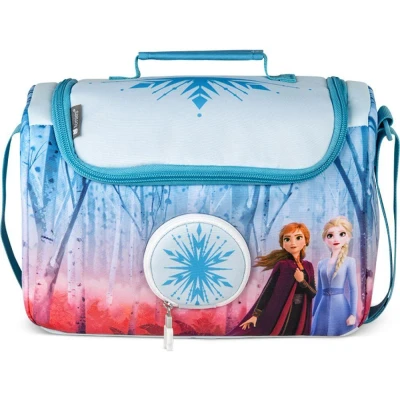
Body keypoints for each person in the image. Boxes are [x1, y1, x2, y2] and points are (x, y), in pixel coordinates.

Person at [228, 222, 316, 336]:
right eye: (287, 239)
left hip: (301, 312)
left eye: (298, 238)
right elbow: (268, 290)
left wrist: (301, 281)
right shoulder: (283, 265)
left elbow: (313, 293)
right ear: (283, 244)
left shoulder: (308, 266)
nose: (293, 242)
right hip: (282, 311)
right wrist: (255, 315)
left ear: (306, 241)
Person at [311, 216, 358, 336]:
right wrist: (314, 313)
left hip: (340, 307)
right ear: (325, 239)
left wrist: (353, 314)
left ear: (348, 237)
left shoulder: (349, 261)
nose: (336, 239)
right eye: (330, 235)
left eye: (341, 234)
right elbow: (319, 290)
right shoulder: (322, 263)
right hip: (322, 307)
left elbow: (353, 289)